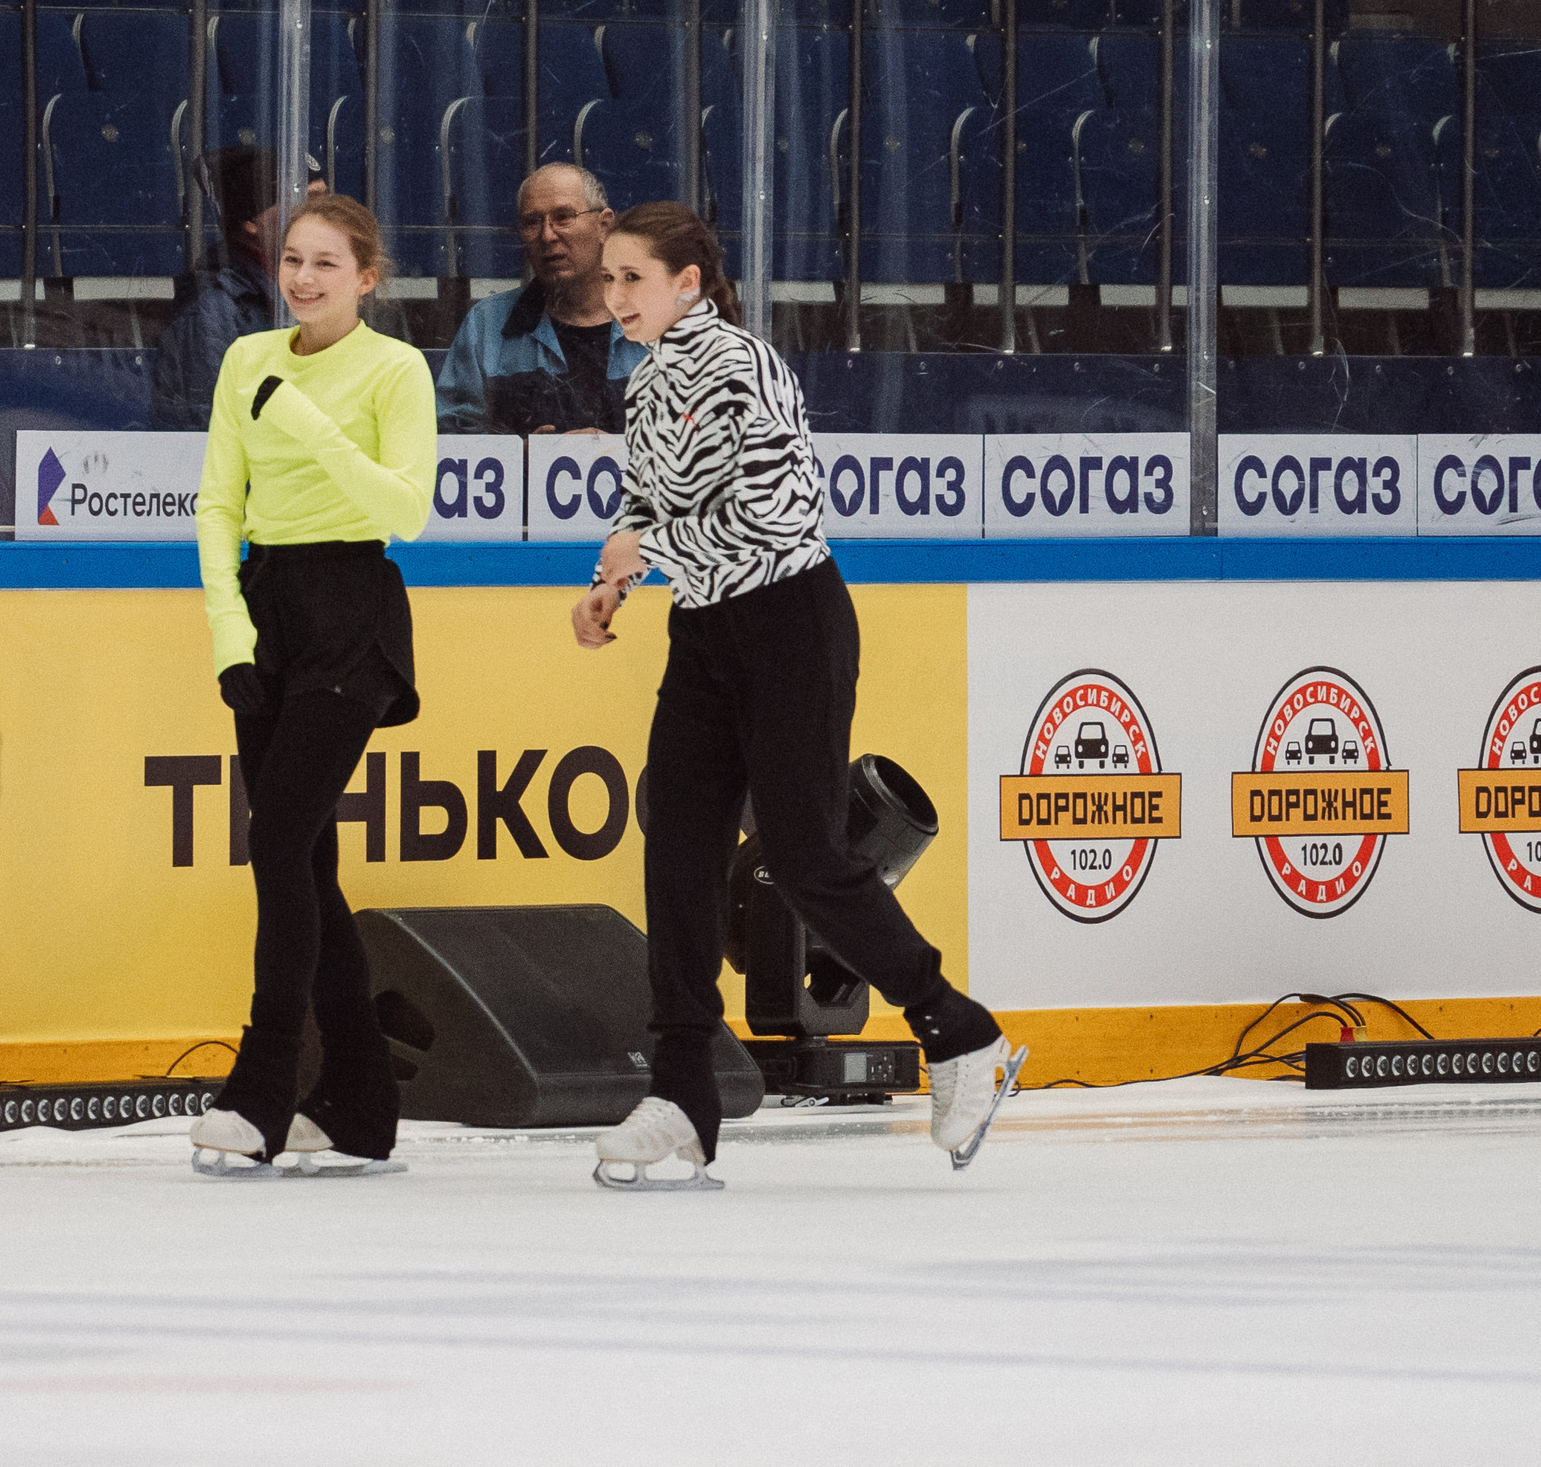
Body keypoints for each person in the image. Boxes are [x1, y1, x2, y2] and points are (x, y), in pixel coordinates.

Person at [571, 202, 1020, 1191]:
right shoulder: (646, 383)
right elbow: (653, 499)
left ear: (687, 282)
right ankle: (684, 1091)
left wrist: (648, 548)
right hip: (707, 630)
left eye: (631, 279)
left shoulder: (741, 366)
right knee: (679, 844)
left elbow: (771, 512)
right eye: (607, 280)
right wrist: (616, 577)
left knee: (807, 855)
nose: (613, 297)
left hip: (790, 624)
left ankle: (959, 1031)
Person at [186, 192, 438, 1177]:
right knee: (308, 866)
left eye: (326, 265)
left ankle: (262, 1088)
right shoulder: (245, 359)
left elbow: (404, 510)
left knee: (278, 836)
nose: (301, 279)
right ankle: (362, 1100)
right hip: (268, 610)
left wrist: (306, 422)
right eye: (292, 259)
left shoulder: (395, 369)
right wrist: (228, 634)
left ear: (366, 280)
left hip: (352, 612)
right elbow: (217, 503)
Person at [432, 163, 644, 435]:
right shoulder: (487, 326)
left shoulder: (661, 325)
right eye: (532, 222)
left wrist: (618, 454)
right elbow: (451, 441)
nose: (547, 235)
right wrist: (519, 457)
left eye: (563, 217)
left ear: (604, 226)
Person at [148, 146, 321, 430]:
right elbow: (211, 432)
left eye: (325, 200)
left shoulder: (318, 289)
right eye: (307, 202)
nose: (325, 216)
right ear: (252, 221)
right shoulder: (213, 311)